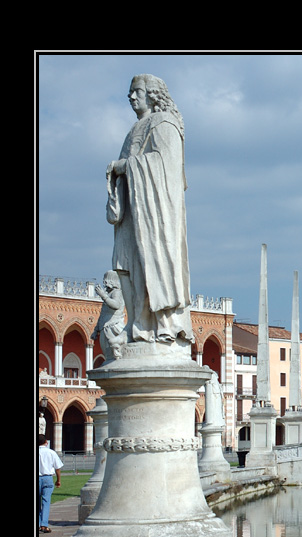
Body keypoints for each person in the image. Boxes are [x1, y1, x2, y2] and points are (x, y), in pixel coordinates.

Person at [106, 74, 194, 345]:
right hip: (133, 213)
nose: (131, 97)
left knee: (151, 265)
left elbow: (166, 165)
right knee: (124, 265)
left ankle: (160, 324)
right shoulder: (135, 129)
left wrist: (126, 166)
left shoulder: (165, 123)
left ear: (153, 95)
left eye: (137, 91)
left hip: (155, 217)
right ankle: (136, 323)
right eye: (130, 92)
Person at [93, 270, 127, 361]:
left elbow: (116, 305)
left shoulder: (117, 292)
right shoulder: (109, 294)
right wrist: (96, 330)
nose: (105, 284)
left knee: (114, 354)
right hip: (104, 328)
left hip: (113, 327)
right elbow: (102, 314)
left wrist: (103, 296)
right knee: (108, 355)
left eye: (106, 281)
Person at [38, 435, 63, 534]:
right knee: (46, 501)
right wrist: (58, 480)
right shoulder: (51, 452)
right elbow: (57, 468)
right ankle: (44, 525)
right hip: (47, 478)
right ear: (46, 442)